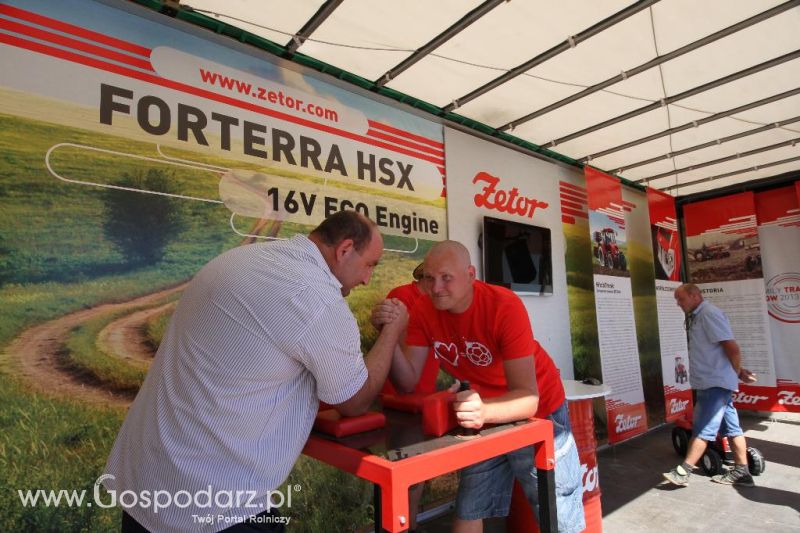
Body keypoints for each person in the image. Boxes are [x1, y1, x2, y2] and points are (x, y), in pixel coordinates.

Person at [104, 211, 408, 533]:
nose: (367, 280)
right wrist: (392, 331)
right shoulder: (317, 300)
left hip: (146, 481)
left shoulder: (239, 259)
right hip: (216, 505)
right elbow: (355, 400)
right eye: (370, 265)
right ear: (345, 250)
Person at [383, 240, 585, 533]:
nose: (436, 287)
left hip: (539, 410)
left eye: (446, 278)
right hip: (483, 414)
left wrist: (483, 411)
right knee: (470, 506)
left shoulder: (503, 305)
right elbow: (408, 381)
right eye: (429, 278)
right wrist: (389, 335)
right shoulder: (423, 310)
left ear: (470, 275)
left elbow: (529, 398)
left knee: (557, 512)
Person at [663, 283, 756, 488]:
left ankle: (683, 472)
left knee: (703, 428)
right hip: (715, 382)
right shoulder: (699, 316)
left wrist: (738, 371)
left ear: (695, 295)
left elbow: (731, 347)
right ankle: (742, 472)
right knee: (732, 429)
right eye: (677, 300)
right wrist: (737, 372)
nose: (678, 304)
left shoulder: (708, 314)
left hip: (714, 383)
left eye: (681, 299)